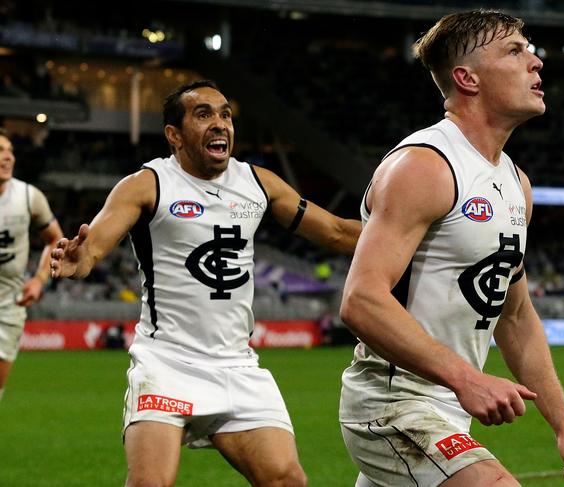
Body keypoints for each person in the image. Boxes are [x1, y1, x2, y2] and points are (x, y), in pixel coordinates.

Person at [50, 79, 361, 486]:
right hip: (167, 362)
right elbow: (94, 247)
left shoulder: (259, 183)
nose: (219, 123)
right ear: (174, 135)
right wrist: (80, 259)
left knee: (288, 480)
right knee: (150, 483)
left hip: (236, 364)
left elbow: (337, 232)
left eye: (225, 114)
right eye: (203, 115)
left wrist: (406, 235)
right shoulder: (147, 185)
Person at [338, 10, 564, 487]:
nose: (536, 62)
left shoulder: (516, 183)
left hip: (450, 411)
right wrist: (467, 378)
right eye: (515, 51)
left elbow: (516, 317)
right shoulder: (424, 165)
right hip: (395, 404)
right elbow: (361, 300)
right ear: (467, 78)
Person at [0, 127, 62, 402]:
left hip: (8, 308)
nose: (7, 157)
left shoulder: (28, 197)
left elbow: (55, 240)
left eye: (9, 151)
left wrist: (39, 279)